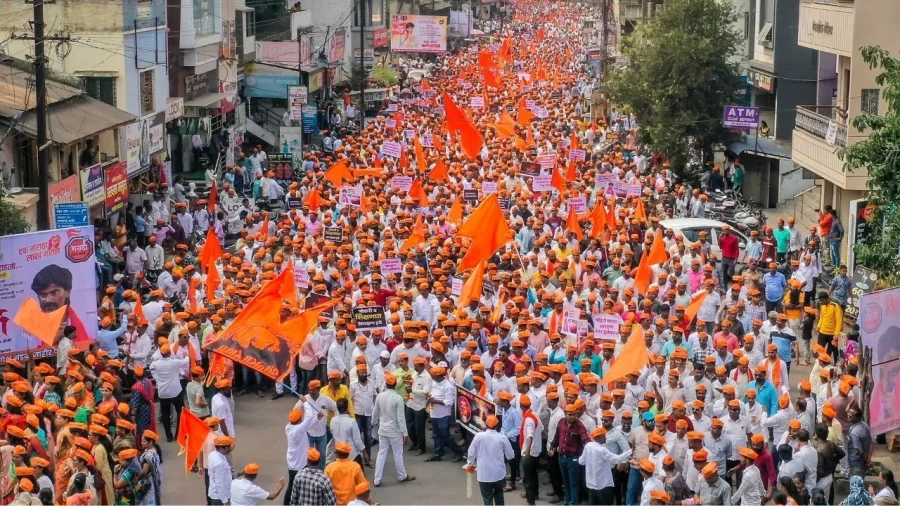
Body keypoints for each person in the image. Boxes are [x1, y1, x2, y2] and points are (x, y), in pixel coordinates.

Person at [371, 373, 415, 487]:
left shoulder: (380, 396)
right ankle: (402, 476)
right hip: (395, 431)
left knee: (381, 453)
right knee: (398, 454)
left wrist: (373, 422)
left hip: (383, 430)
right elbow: (401, 418)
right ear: (395, 385)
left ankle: (377, 479)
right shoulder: (398, 398)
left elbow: (375, 412)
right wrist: (405, 433)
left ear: (386, 384)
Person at [467, 415, 514, 506]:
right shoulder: (502, 437)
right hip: (498, 474)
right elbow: (510, 455)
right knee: (499, 495)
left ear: (486, 424)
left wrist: (470, 464)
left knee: (487, 497)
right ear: (497, 425)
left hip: (484, 474)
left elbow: (471, 452)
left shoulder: (478, 436)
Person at [208, 436, 235, 505]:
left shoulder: (212, 454)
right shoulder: (220, 463)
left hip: (215, 493)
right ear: (221, 448)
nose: (230, 449)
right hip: (220, 497)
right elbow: (219, 484)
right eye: (228, 447)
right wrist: (225, 501)